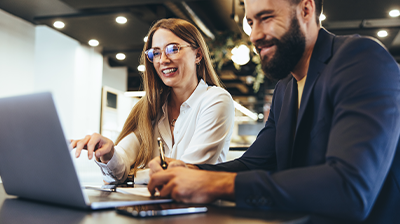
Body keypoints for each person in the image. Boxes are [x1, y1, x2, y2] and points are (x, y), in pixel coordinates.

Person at [147, 0, 400, 223]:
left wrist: (217, 184)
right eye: (250, 23)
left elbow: (350, 188)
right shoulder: (285, 88)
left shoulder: (361, 59)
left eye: (266, 18)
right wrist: (192, 171)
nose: (255, 35)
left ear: (306, 9)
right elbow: (253, 163)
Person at [70, 18, 235, 184]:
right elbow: (121, 162)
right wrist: (109, 153)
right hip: (153, 207)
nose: (162, 60)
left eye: (173, 49)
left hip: (200, 208)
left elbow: (187, 172)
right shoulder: (150, 108)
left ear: (198, 54)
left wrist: (131, 176)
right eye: (155, 53)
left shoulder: (216, 100)